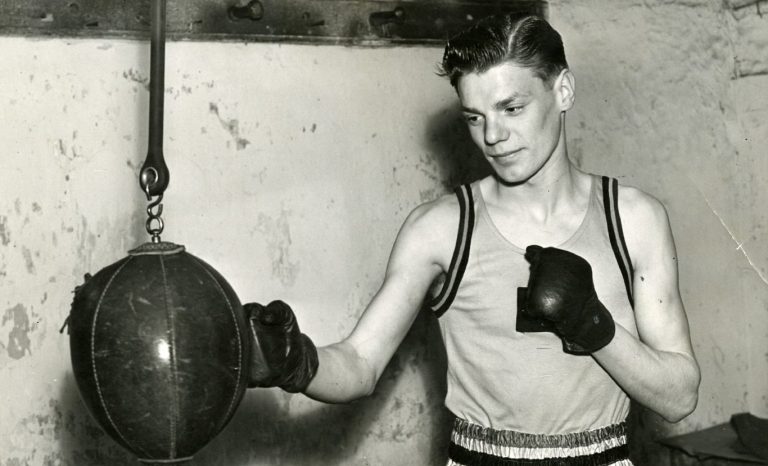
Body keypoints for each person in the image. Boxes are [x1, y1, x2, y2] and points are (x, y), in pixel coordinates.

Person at [245, 13, 701, 465]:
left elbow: (679, 397)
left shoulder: (634, 219)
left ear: (563, 90)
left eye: (511, 108)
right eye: (475, 118)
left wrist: (593, 325)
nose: (493, 136)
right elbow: (360, 364)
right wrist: (293, 361)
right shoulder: (441, 228)